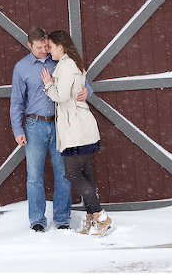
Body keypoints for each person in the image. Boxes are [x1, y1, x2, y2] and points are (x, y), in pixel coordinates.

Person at [10, 27, 90, 232]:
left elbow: (83, 82)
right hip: (34, 125)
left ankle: (63, 218)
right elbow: (17, 101)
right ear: (29, 45)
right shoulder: (21, 68)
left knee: (63, 173)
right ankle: (37, 219)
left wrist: (86, 92)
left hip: (60, 124)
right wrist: (17, 129)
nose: (44, 50)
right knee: (34, 176)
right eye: (39, 47)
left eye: (46, 46)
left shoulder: (60, 61)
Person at [40, 30, 112, 237]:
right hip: (83, 126)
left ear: (60, 46)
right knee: (86, 175)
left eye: (50, 47)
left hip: (75, 129)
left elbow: (60, 96)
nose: (48, 51)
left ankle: (101, 217)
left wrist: (48, 84)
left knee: (72, 174)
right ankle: (92, 220)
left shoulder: (65, 66)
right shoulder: (74, 63)